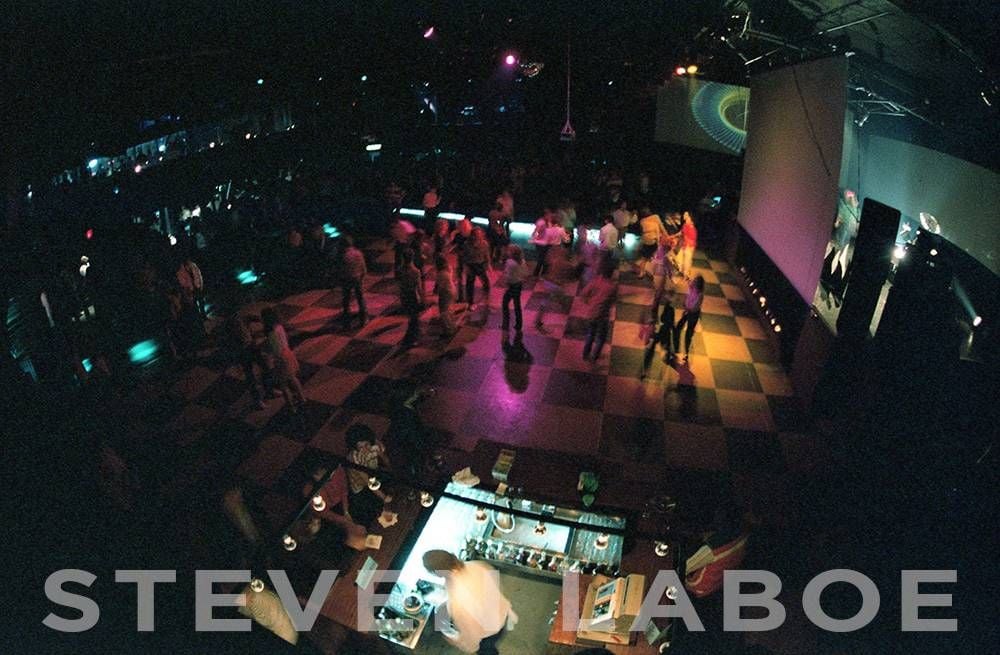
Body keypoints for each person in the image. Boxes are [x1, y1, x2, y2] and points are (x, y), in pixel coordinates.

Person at [423, 550, 518, 655]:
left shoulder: (459, 601)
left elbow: (471, 631)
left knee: (488, 651)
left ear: (437, 573)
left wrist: (458, 640)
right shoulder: (476, 566)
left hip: (488, 632)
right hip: (502, 615)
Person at [345, 423, 392, 527]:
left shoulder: (375, 445)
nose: (365, 449)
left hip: (374, 473)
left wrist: (390, 470)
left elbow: (384, 458)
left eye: (366, 444)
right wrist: (384, 498)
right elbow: (367, 482)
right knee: (373, 508)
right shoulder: (354, 459)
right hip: (360, 486)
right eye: (360, 447)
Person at [261, 307, 305, 412]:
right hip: (288, 354)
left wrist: (265, 349)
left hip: (281, 359)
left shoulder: (271, 333)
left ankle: (291, 406)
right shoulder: (280, 326)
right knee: (293, 378)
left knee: (283, 385)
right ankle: (302, 398)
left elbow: (276, 350)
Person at [226, 314, 268, 409]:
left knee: (265, 367)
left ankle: (269, 390)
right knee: (250, 376)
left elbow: (255, 318)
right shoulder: (229, 326)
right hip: (243, 352)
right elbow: (230, 344)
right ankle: (257, 400)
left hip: (252, 347)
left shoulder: (242, 318)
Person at [580, 260, 618, 362]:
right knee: (601, 338)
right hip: (603, 316)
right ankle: (594, 358)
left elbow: (583, 294)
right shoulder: (612, 287)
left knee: (590, 335)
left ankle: (585, 354)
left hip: (592, 313)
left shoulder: (595, 282)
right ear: (611, 273)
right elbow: (613, 301)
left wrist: (590, 303)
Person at [534, 245, 576, 332]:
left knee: (546, 303)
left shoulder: (554, 261)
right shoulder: (565, 264)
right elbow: (571, 275)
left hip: (549, 284)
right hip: (556, 287)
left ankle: (538, 321)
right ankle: (569, 326)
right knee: (564, 305)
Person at [337, 236, 368, 327]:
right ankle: (363, 318)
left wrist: (340, 279)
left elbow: (341, 270)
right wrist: (363, 277)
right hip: (357, 278)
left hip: (346, 279)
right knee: (360, 298)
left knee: (346, 298)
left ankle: (347, 318)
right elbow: (363, 266)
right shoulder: (358, 253)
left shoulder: (342, 255)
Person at [673, 275, 704, 362]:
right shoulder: (692, 287)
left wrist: (686, 308)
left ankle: (686, 354)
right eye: (694, 280)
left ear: (698, 284)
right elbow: (688, 283)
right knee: (678, 327)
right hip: (688, 312)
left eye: (695, 281)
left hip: (693, 315)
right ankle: (676, 348)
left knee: (688, 334)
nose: (693, 282)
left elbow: (696, 306)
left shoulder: (700, 294)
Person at [397, 248, 424, 348]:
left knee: (410, 316)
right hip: (413, 295)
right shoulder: (416, 271)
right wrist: (422, 299)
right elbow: (419, 287)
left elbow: (399, 285)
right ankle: (413, 339)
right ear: (412, 258)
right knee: (415, 318)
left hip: (404, 295)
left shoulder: (400, 270)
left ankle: (410, 337)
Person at [499, 246, 529, 332]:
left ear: (512, 253)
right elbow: (526, 273)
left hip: (512, 285)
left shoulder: (510, 262)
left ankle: (505, 324)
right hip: (519, 285)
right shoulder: (522, 261)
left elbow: (508, 276)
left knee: (505, 304)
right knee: (517, 305)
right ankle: (519, 325)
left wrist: (505, 283)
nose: (508, 252)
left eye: (509, 250)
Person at [463, 228, 491, 311]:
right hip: (470, 265)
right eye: (475, 235)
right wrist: (466, 267)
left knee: (486, 282)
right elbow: (464, 257)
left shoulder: (484, 244)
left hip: (480, 265)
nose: (477, 236)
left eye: (479, 234)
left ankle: (486, 299)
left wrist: (488, 264)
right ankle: (470, 303)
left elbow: (487, 255)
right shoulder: (467, 244)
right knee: (470, 285)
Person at [636, 208, 668, 278]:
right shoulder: (655, 217)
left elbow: (642, 231)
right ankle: (649, 272)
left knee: (644, 259)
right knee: (652, 258)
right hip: (653, 241)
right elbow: (661, 228)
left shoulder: (642, 221)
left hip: (645, 241)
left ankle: (642, 273)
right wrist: (667, 236)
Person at [435, 254, 458, 337]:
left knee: (444, 312)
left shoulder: (441, 274)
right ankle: (452, 326)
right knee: (449, 309)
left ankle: (449, 330)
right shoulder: (449, 268)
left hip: (446, 292)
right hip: (452, 289)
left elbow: (441, 287)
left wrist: (438, 294)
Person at [452, 216, 473, 303]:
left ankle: (465, 298)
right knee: (462, 278)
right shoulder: (460, 235)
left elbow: (455, 246)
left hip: (468, 259)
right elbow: (454, 245)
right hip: (464, 258)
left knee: (467, 278)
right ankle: (462, 297)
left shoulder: (469, 235)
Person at [679, 211, 698, 279]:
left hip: (689, 246)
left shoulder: (691, 226)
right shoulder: (685, 224)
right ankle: (683, 272)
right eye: (684, 214)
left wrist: (687, 245)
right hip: (685, 244)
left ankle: (686, 275)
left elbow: (692, 239)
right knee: (680, 259)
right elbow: (681, 233)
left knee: (687, 260)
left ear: (690, 217)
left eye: (686, 214)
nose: (684, 215)